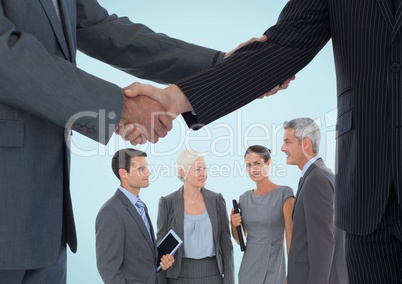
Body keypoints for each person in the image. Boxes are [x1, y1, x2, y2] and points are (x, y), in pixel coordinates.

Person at [0, 1, 289, 282]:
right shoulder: (149, 205)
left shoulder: (215, 200)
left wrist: (224, 67)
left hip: (47, 223)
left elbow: (102, 29)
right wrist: (119, 107)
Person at [128, 1, 402, 282]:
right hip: (367, 193)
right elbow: (282, 49)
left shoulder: (288, 191)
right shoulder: (238, 198)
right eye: (248, 164)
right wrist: (176, 98)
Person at [280, 118, 348, 284]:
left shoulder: (316, 180)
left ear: (306, 143)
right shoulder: (318, 175)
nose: (282, 148)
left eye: (287, 142)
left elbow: (323, 243)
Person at [96, 148, 174, 283]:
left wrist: (161, 261)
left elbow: (142, 251)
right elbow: (108, 267)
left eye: (147, 168)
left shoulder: (141, 205)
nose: (148, 172)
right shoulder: (111, 211)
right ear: (123, 173)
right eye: (141, 169)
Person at [156, 149, 234, 284]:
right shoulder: (167, 203)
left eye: (205, 168)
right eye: (198, 169)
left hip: (213, 276)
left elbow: (226, 246)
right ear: (183, 172)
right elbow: (161, 251)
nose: (204, 173)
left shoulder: (216, 200)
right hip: (178, 277)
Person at [230, 145, 294, 284]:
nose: (253, 169)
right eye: (248, 165)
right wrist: (233, 225)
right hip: (248, 269)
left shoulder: (284, 194)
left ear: (268, 163)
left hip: (274, 267)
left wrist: (293, 274)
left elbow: (291, 236)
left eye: (257, 163)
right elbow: (240, 239)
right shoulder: (244, 198)